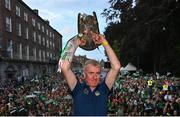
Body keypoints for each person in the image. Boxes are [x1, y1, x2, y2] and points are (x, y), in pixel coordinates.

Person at [58, 32, 121, 116]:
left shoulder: (104, 88)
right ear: (84, 74)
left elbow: (116, 67)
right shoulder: (77, 88)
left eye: (98, 73)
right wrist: (76, 42)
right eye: (91, 73)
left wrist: (104, 42)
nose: (95, 77)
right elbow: (64, 67)